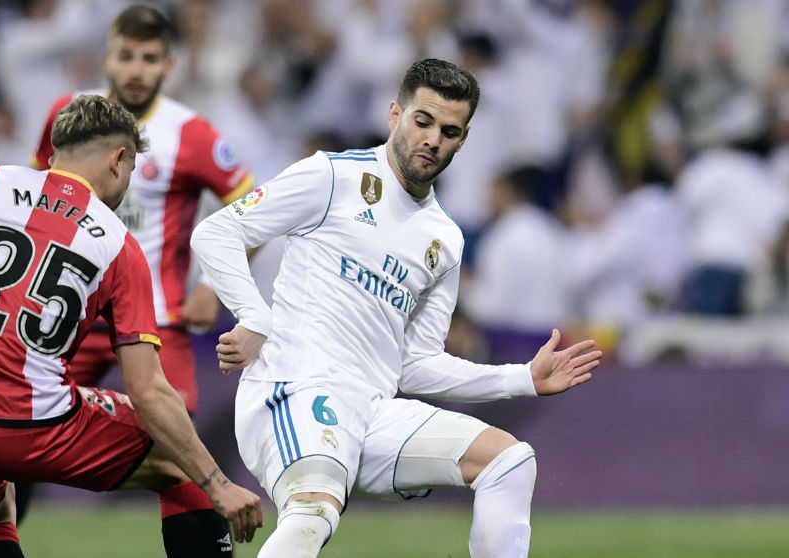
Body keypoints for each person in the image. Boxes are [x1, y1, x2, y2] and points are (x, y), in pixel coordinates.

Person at [190, 59, 602, 558]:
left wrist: (522, 380)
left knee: (510, 461)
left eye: (449, 131)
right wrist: (254, 318)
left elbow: (417, 364)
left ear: (463, 139)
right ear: (394, 115)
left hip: (372, 413)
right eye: (422, 121)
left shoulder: (444, 240)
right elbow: (217, 232)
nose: (432, 139)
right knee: (312, 512)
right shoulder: (333, 176)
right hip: (294, 390)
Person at [0, 94, 262, 558]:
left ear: (55, 151)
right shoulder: (120, 245)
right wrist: (217, 482)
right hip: (33, 427)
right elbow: (149, 392)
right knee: (181, 463)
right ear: (118, 159)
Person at [24, 4, 257, 534]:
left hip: (155, 320)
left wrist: (211, 285)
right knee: (16, 427)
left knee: (182, 454)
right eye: (126, 56)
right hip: (69, 314)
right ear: (107, 58)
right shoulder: (70, 117)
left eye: (149, 59)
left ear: (168, 66)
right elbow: (37, 200)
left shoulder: (190, 134)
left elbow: (253, 210)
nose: (136, 69)